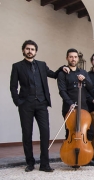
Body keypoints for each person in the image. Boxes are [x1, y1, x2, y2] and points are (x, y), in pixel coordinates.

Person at [10, 40, 68, 172]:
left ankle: (44, 164)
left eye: (32, 49)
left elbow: (53, 75)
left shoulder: (42, 65)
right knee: (27, 134)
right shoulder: (17, 66)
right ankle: (30, 163)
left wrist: (62, 68)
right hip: (26, 105)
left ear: (35, 51)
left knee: (45, 133)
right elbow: (13, 86)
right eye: (27, 49)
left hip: (42, 104)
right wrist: (18, 101)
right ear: (23, 50)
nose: (30, 51)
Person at [57, 48, 94, 167]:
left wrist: (85, 80)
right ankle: (70, 157)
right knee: (70, 132)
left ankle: (86, 156)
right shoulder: (63, 73)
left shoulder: (83, 73)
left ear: (78, 58)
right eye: (71, 57)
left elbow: (91, 87)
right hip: (69, 107)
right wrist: (70, 102)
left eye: (75, 57)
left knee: (89, 131)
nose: (73, 59)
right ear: (67, 58)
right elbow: (62, 91)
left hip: (84, 107)